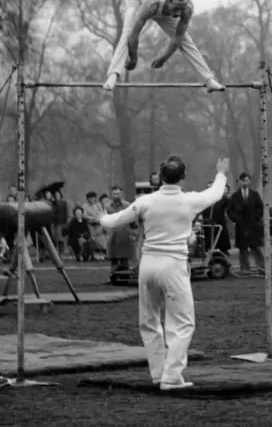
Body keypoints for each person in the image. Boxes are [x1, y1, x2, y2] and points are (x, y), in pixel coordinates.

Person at [100, 155, 230, 390]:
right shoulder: (189, 201)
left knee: (149, 321)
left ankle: (159, 374)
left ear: (160, 177)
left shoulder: (145, 201)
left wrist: (100, 215)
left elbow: (110, 222)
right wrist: (221, 173)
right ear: (183, 177)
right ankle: (171, 377)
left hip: (148, 265)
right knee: (182, 323)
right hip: (173, 266)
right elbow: (215, 194)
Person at [102, 0, 226, 93]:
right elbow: (134, 35)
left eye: (181, 9)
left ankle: (208, 80)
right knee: (127, 33)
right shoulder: (151, 4)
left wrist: (164, 58)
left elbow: (178, 38)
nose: (178, 14)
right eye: (177, 9)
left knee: (186, 40)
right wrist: (133, 59)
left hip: (166, 12)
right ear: (168, 1)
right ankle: (113, 75)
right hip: (140, 3)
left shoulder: (187, 9)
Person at [226, 172, 267, 275]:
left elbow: (261, 208)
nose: (245, 182)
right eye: (243, 180)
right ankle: (245, 269)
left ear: (250, 181)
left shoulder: (255, 194)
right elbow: (229, 211)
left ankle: (262, 267)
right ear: (240, 182)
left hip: (253, 226)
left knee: (255, 247)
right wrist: (236, 219)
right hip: (241, 226)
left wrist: (256, 218)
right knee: (243, 248)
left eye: (247, 180)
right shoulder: (235, 196)